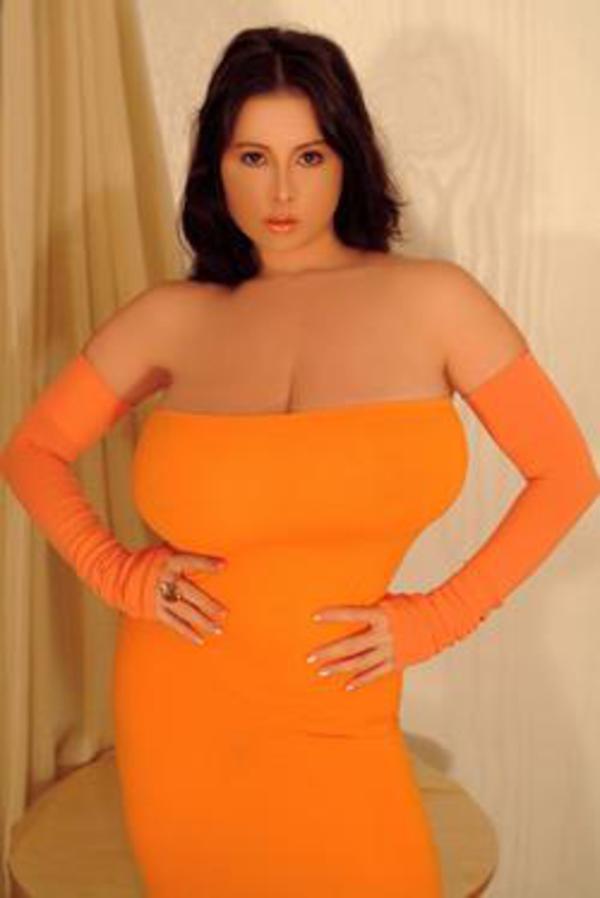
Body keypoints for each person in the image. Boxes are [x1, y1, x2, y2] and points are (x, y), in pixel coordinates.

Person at [1, 25, 598, 898]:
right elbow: (33, 448)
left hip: (344, 712)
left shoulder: (436, 302)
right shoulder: (172, 318)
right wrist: (117, 573)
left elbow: (566, 472)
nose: (281, 191)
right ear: (216, 166)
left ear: (348, 158)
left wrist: (439, 618)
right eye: (253, 157)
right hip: (181, 712)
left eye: (309, 156)